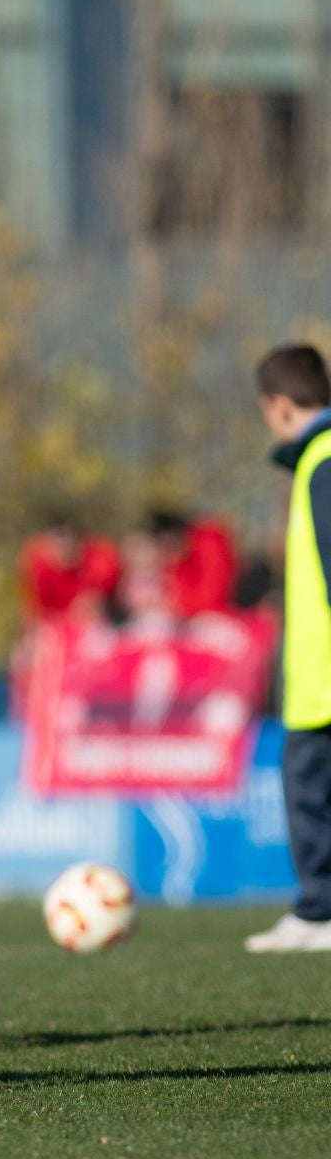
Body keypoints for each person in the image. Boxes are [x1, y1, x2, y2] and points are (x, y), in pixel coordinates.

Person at [247, 344, 331, 953]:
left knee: (308, 795)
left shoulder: (323, 461)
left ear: (277, 406)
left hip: (321, 679)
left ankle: (317, 912)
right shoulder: (313, 460)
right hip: (312, 678)